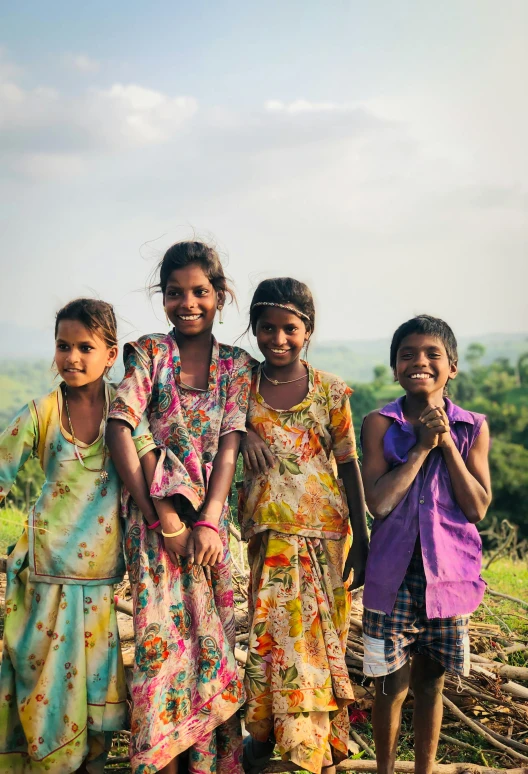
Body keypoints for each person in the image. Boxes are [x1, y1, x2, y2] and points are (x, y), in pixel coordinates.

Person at [106, 240, 254, 774]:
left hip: (210, 529)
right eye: (175, 293)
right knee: (159, 652)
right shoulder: (149, 353)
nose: (187, 302)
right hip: (154, 529)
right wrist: (157, 517)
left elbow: (231, 445)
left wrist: (211, 521)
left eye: (199, 292)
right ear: (162, 297)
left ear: (220, 296)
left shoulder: (238, 366)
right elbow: (120, 424)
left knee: (209, 650)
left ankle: (210, 764)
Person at [0, 298, 149, 773]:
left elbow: (151, 467)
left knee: (93, 682)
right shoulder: (41, 412)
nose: (72, 357)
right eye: (63, 346)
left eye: (86, 347)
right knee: (41, 677)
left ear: (111, 355)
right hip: (44, 572)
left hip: (101, 575)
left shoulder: (123, 417)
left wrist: (177, 522)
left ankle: (91, 763)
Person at [238, 278, 369, 774]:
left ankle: (308, 747)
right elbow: (212, 426)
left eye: (289, 328)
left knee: (316, 644)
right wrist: (245, 428)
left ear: (307, 330)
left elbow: (349, 463)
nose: (277, 338)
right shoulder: (240, 388)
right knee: (271, 641)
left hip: (326, 538)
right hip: (267, 536)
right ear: (253, 329)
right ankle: (268, 734)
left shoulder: (332, 391)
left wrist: (364, 538)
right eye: (266, 327)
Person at [360, 314, 492, 774]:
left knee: (431, 684)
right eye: (407, 355)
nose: (420, 361)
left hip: (448, 578)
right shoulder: (379, 424)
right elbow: (378, 502)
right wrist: (419, 447)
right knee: (388, 686)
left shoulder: (472, 426)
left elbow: (477, 507)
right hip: (391, 578)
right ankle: (384, 770)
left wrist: (448, 446)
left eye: (432, 354)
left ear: (452, 367)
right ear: (395, 367)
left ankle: (424, 770)